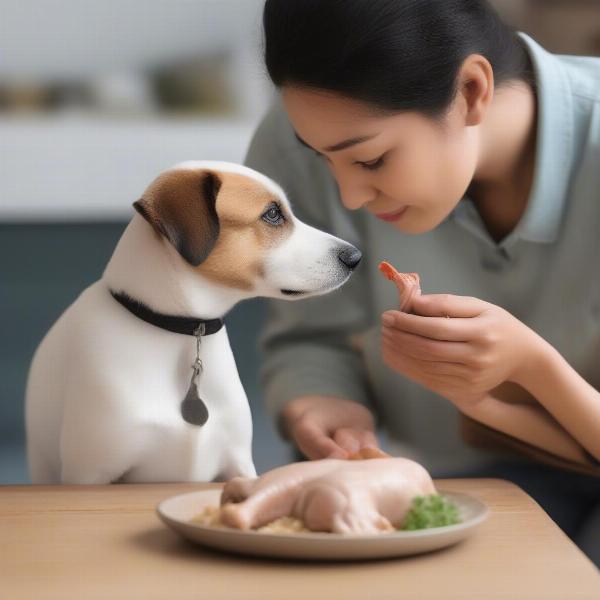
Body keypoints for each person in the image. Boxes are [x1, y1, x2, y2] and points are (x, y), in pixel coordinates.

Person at [245, 0, 600, 564]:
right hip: (464, 481)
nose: (349, 199)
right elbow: (309, 334)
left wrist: (533, 366)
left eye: (371, 161)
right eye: (322, 160)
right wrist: (321, 403)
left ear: (470, 91)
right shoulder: (308, 133)